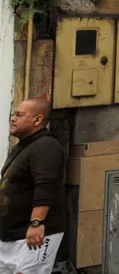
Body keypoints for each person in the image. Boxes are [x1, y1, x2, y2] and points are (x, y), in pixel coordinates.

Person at [0, 98, 63, 274]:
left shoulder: (46, 146)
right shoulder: (24, 146)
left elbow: (46, 186)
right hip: (10, 234)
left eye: (19, 115)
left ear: (38, 120)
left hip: (33, 236)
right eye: (13, 114)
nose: (13, 118)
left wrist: (36, 223)